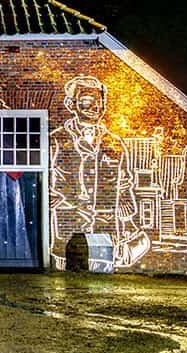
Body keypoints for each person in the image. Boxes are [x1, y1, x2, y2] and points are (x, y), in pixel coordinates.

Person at [49, 75, 150, 268]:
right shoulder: (56, 140)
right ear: (71, 104)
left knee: (102, 278)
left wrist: (127, 218)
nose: (96, 107)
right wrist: (53, 199)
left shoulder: (113, 143)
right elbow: (41, 176)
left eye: (100, 102)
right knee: (68, 279)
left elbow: (124, 181)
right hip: (70, 224)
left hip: (105, 224)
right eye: (87, 101)